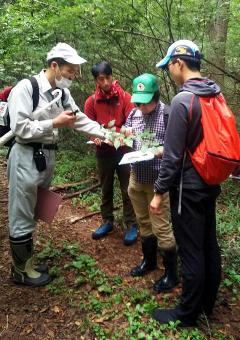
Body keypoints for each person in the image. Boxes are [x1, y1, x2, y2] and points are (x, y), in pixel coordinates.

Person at [7, 42, 107, 287]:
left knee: (33, 210)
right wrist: (54, 124)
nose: (74, 76)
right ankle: (20, 271)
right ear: (55, 66)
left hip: (46, 158)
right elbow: (19, 127)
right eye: (70, 70)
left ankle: (27, 262)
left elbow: (78, 119)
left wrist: (107, 134)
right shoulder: (26, 88)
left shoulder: (61, 93)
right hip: (26, 156)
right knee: (21, 212)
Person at [150, 40, 222, 326]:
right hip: (210, 181)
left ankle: (187, 314)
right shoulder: (214, 94)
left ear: (179, 63)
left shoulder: (183, 100)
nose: (169, 71)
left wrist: (158, 193)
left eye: (169, 65)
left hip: (188, 189)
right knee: (208, 245)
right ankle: (207, 304)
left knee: (191, 251)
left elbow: (172, 155)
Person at [124, 73, 178, 292]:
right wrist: (123, 133)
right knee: (143, 222)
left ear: (156, 96)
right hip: (136, 177)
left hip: (158, 181)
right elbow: (127, 134)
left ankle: (171, 274)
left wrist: (159, 151)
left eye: (145, 102)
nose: (141, 106)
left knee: (162, 227)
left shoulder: (168, 114)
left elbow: (176, 149)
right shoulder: (133, 113)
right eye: (138, 101)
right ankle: (149, 261)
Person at [84, 61, 138, 245]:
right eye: (101, 79)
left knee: (128, 188)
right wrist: (95, 137)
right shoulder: (91, 101)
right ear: (96, 81)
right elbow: (89, 126)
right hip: (104, 152)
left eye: (108, 77)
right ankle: (107, 221)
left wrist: (122, 133)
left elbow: (132, 124)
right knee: (105, 187)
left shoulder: (125, 97)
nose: (106, 82)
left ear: (112, 76)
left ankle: (131, 224)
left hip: (124, 150)